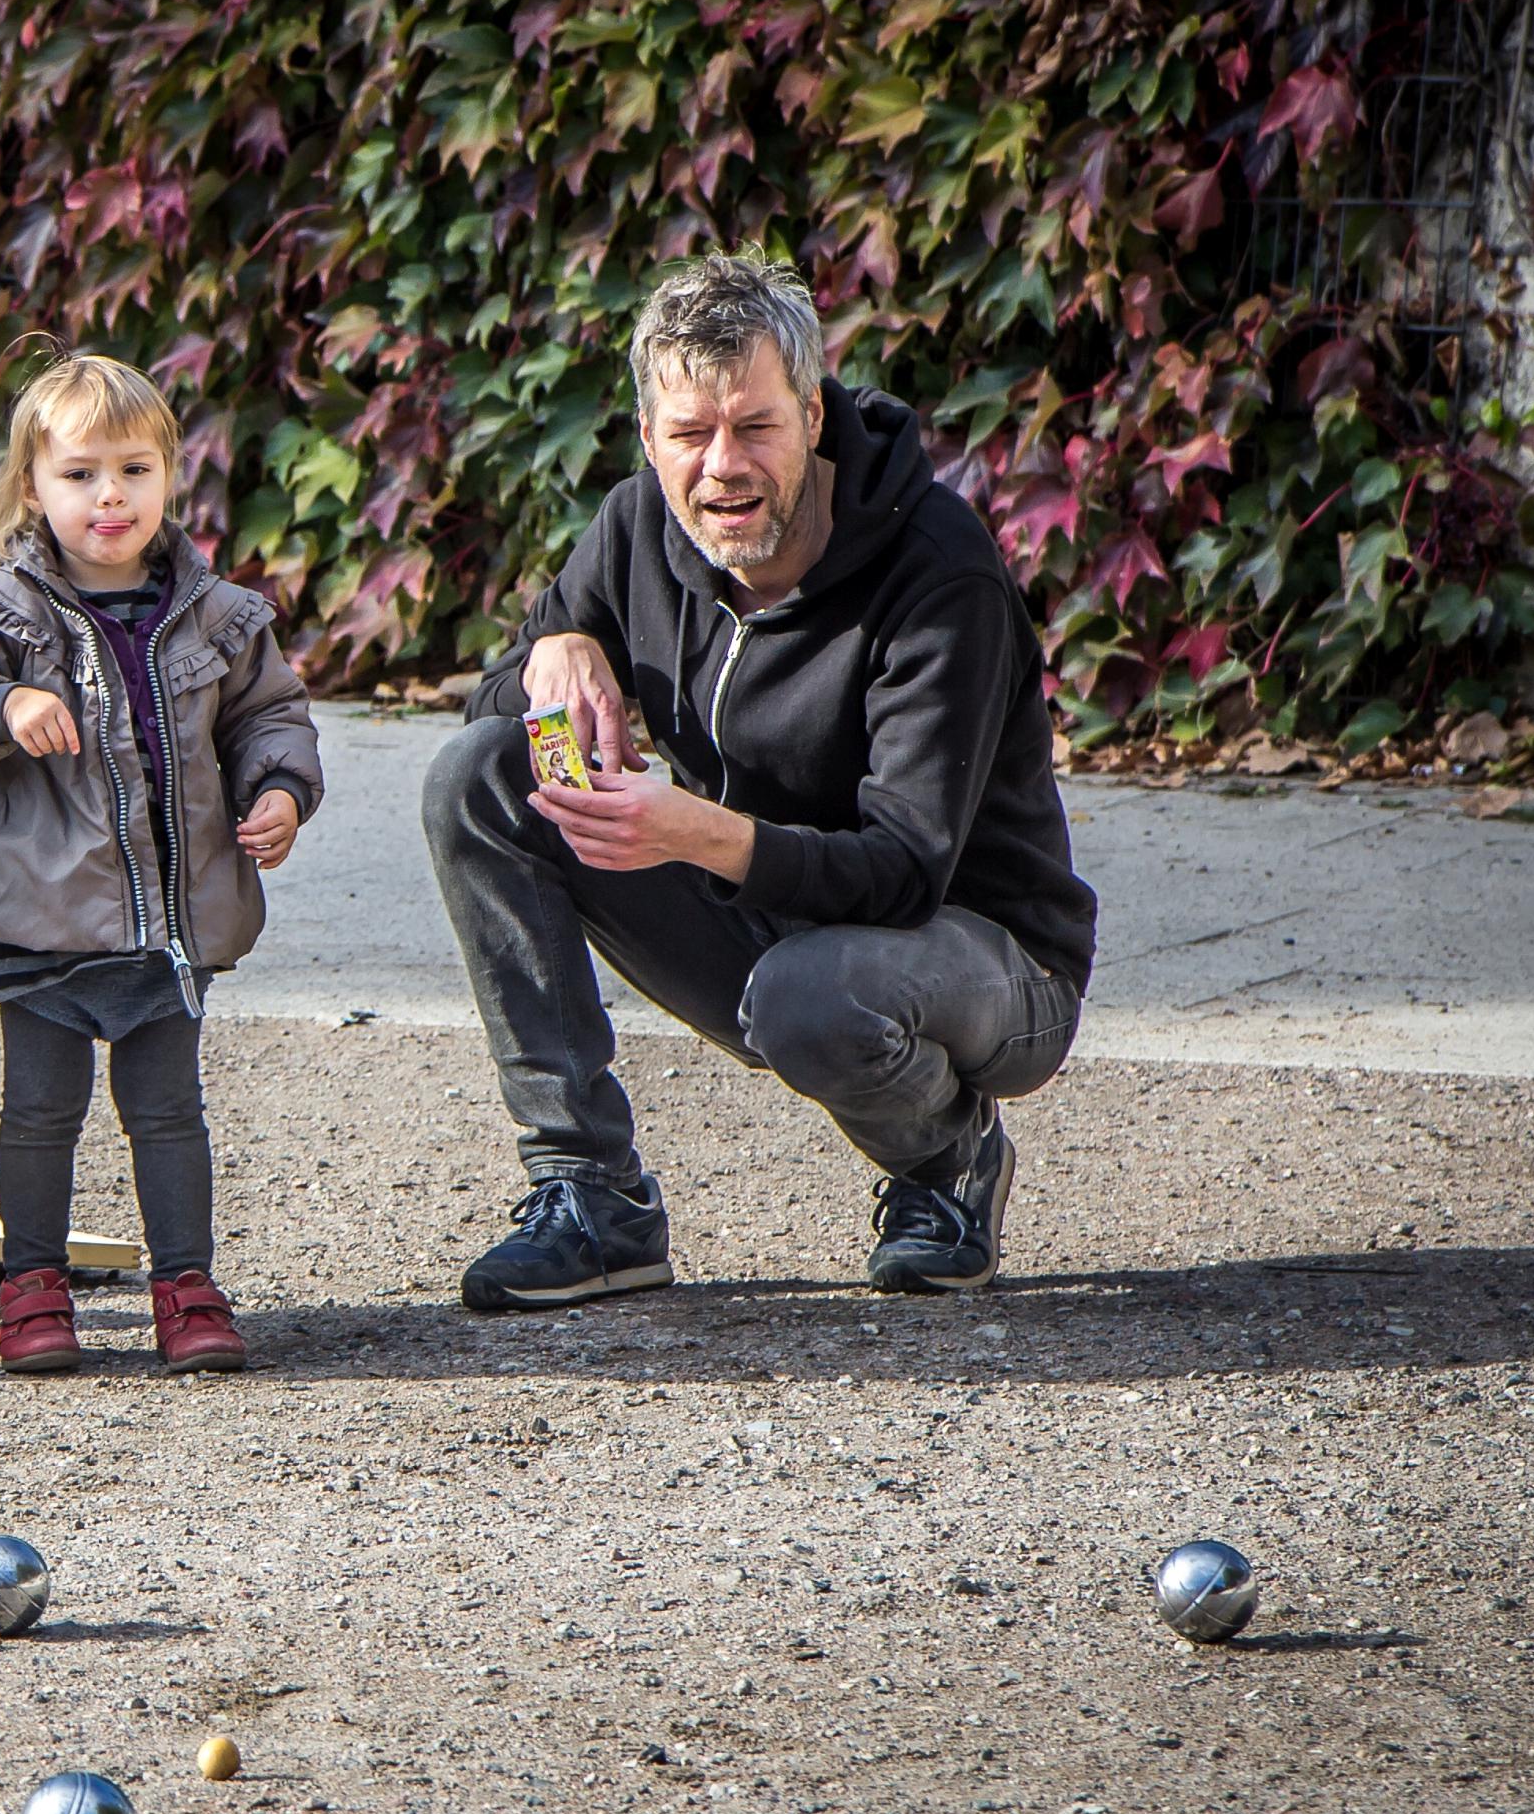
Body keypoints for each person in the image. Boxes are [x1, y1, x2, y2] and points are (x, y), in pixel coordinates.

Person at [423, 250, 1098, 1306]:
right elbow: (497, 707)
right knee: (478, 778)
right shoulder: (639, 524)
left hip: (979, 956)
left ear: (815, 416)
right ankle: (592, 1197)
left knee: (810, 995)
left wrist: (692, 832)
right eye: (690, 434)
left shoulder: (938, 573)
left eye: (755, 427)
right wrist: (551, 656)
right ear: (649, 435)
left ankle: (946, 1160)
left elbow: (904, 871)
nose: (722, 467)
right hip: (765, 910)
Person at [0, 348, 325, 1376]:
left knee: (169, 1112)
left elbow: (271, 717)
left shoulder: (221, 615)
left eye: (134, 469)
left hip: (168, 920)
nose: (110, 495)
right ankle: (34, 1284)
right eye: (80, 473)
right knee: (40, 1112)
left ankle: (186, 1282)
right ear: (33, 485)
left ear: (170, 474)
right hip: (38, 914)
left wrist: (279, 790)